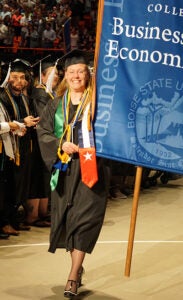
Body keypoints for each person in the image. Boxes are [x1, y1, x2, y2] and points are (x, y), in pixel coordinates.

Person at [37, 49, 109, 298]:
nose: (77, 75)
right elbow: (44, 132)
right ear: (64, 76)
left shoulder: (99, 102)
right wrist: (60, 144)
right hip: (65, 167)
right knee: (70, 220)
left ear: (88, 74)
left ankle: (72, 274)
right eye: (71, 72)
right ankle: (77, 268)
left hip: (92, 168)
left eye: (81, 71)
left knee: (85, 220)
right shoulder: (56, 104)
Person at [0, 59, 40, 231]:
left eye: (22, 77)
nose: (19, 82)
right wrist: (22, 123)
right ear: (7, 78)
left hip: (23, 146)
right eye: (14, 77)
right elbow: (6, 122)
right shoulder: (2, 97)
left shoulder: (24, 98)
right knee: (8, 185)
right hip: (7, 149)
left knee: (20, 184)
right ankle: (5, 221)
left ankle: (14, 219)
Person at [25, 58, 60, 227]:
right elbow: (43, 119)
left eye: (58, 75)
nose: (57, 77)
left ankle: (42, 213)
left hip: (46, 141)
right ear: (43, 76)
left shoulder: (49, 93)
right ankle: (35, 215)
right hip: (40, 142)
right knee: (40, 176)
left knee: (45, 176)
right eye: (53, 74)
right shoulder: (40, 94)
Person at [0, 100, 26, 237]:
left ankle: (4, 223)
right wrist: (10, 125)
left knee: (4, 189)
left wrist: (15, 127)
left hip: (5, 149)